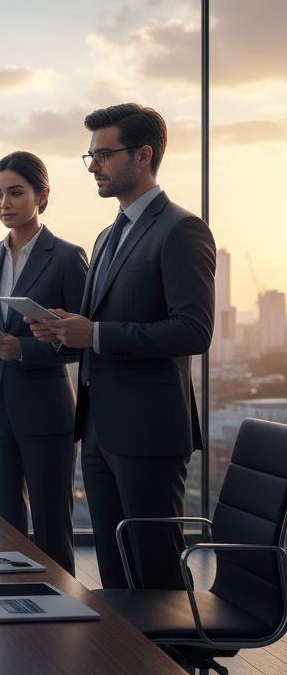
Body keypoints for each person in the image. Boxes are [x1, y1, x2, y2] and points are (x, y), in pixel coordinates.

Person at [30, 103, 215, 589]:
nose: (93, 166)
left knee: (156, 572)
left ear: (143, 155)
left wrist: (96, 334)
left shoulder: (181, 229)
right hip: (99, 431)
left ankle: (168, 665)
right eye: (89, 156)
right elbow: (99, 324)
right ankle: (122, 667)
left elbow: (194, 330)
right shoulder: (108, 235)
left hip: (150, 432)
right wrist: (64, 328)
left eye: (104, 154)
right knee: (115, 574)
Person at [0, 152, 87, 575]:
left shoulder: (68, 257)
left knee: (52, 524)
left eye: (15, 193)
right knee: (1, 524)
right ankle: (6, 610)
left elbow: (84, 341)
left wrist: (25, 350)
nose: (4, 203)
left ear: (42, 195)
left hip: (47, 412)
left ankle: (60, 624)